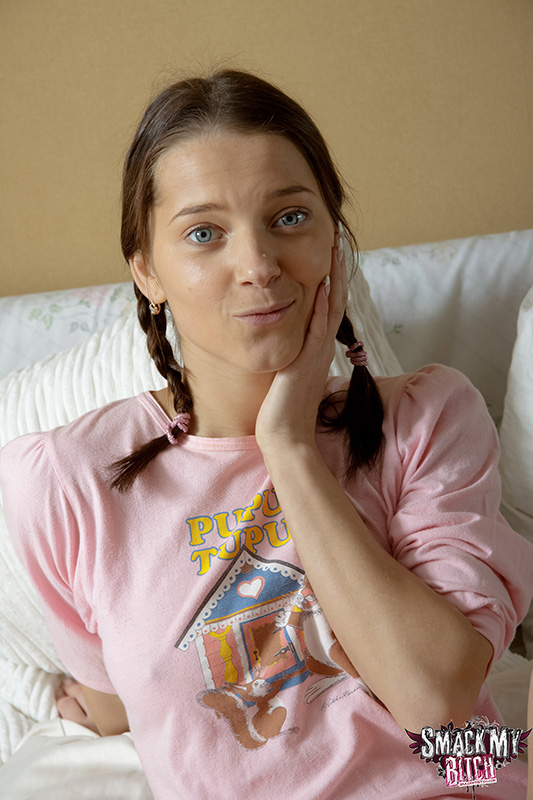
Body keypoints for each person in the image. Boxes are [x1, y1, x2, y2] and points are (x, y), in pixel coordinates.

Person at [1, 69, 532, 800]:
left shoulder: (427, 414)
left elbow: (439, 705)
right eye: (203, 233)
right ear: (147, 271)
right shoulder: (67, 479)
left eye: (289, 217)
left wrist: (288, 448)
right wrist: (96, 711)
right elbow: (119, 693)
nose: (257, 265)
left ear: (334, 242)